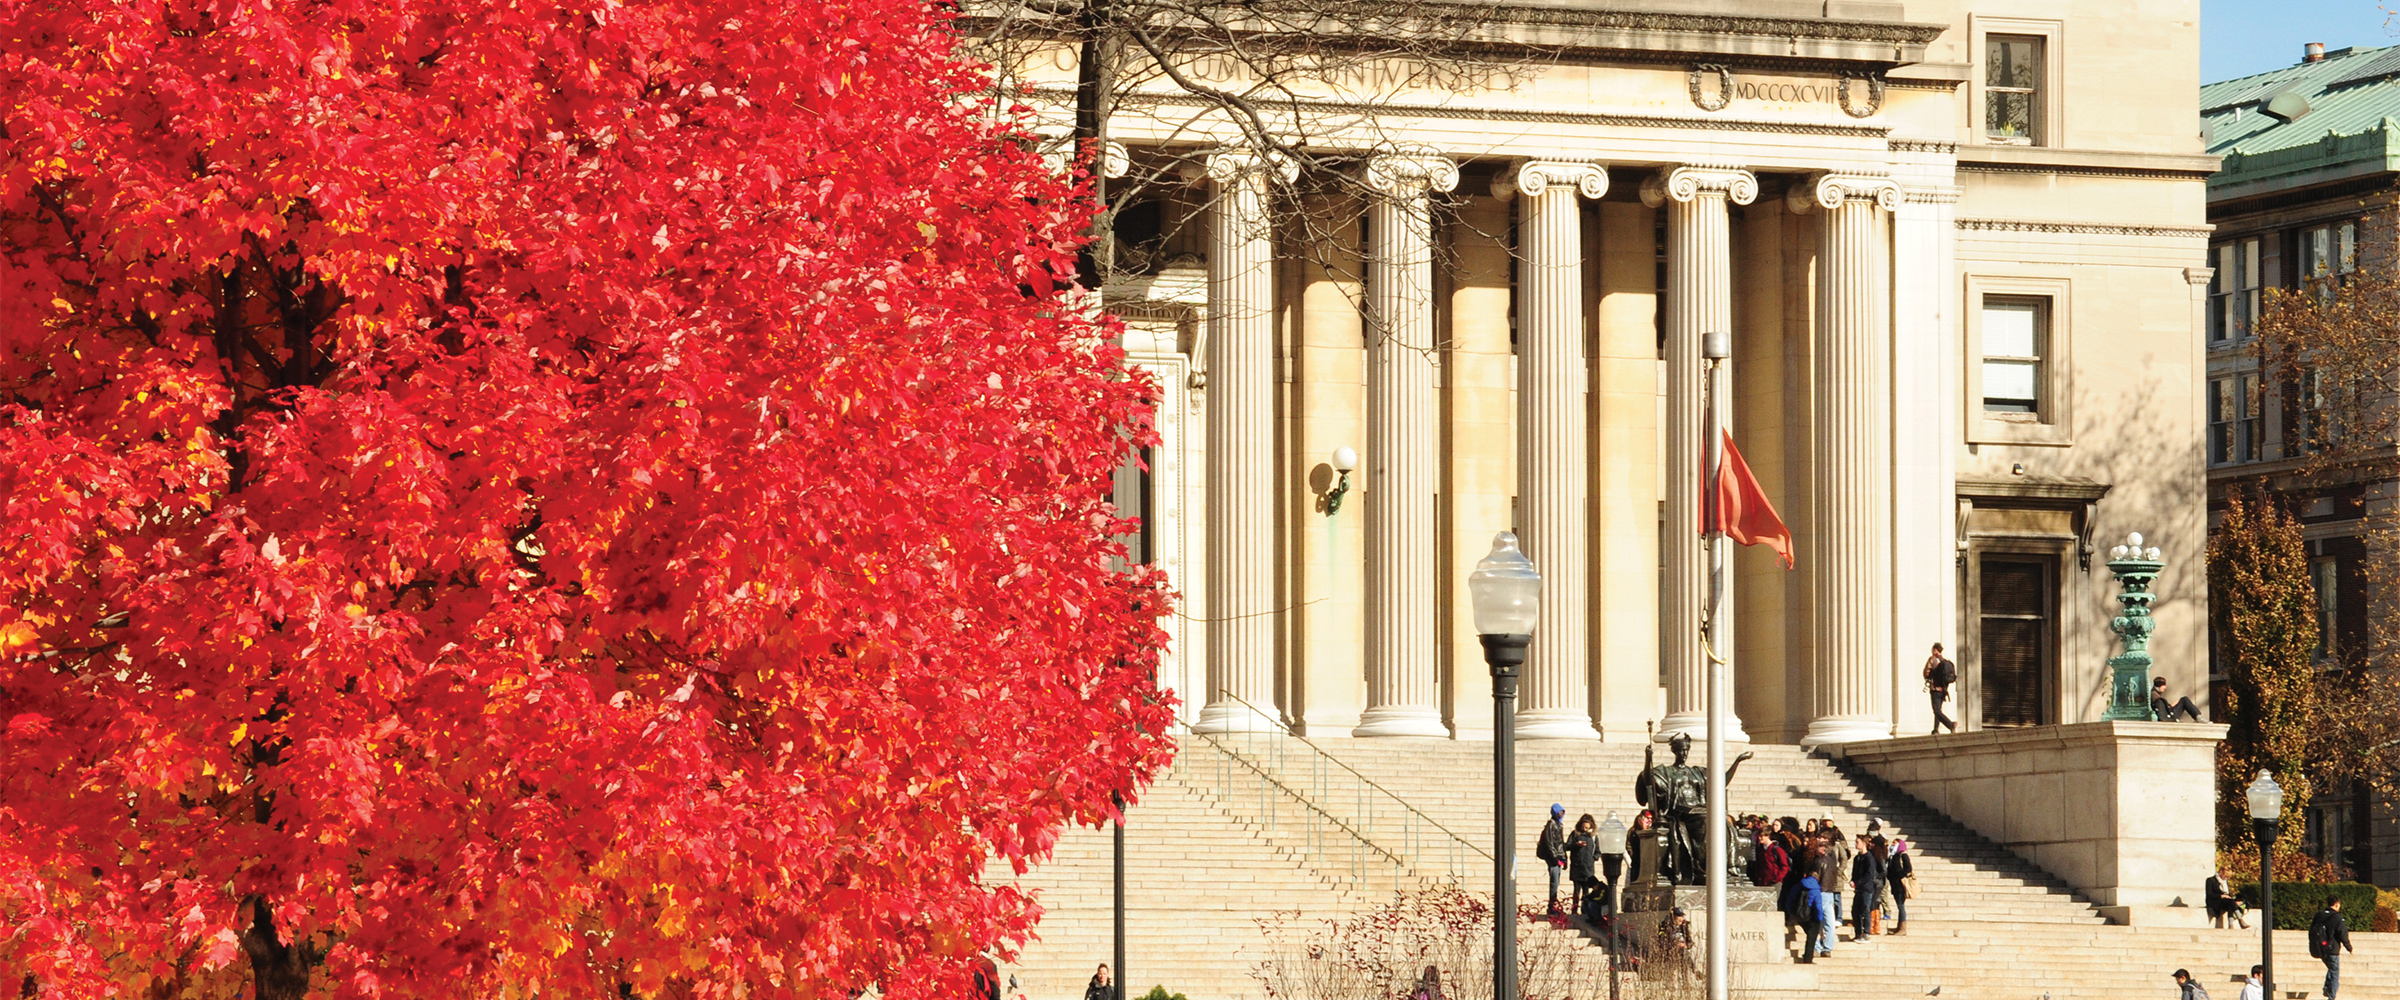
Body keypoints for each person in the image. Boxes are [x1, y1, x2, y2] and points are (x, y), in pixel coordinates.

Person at [2311, 896, 2354, 999]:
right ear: (2336, 904)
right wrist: (2349, 948)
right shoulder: (2338, 917)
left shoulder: (2319, 915)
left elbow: (2312, 931)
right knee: (2334, 972)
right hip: (2332, 949)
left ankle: (2327, 987)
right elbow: (2343, 934)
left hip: (2320, 948)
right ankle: (2331, 995)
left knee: (2331, 968)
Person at [1849, 833, 1885, 940]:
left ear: (1864, 844)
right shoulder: (1857, 858)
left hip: (1866, 888)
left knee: (1865, 909)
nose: (1856, 844)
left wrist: (1857, 882)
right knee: (1855, 911)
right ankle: (1858, 933)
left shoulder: (1869, 858)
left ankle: (1866, 932)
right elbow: (1855, 872)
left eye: (1858, 842)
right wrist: (1853, 881)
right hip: (1859, 889)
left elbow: (1869, 874)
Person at [1537, 804, 1568, 913]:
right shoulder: (1551, 824)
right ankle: (1552, 906)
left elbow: (1560, 844)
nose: (1561, 814)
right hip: (1553, 857)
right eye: (1559, 812)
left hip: (1558, 856)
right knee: (1554, 880)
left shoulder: (1559, 825)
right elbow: (1549, 842)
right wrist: (1554, 856)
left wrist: (1564, 858)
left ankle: (1554, 904)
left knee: (1557, 881)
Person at [1923, 642, 1959, 734]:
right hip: (1943, 689)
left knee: (1936, 710)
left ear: (1935, 650)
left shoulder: (1933, 659)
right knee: (1938, 709)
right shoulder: (1944, 661)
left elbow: (1926, 673)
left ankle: (1950, 724)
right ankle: (1935, 730)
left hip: (1935, 688)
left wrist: (1929, 676)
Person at [1568, 813, 1600, 915]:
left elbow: (1598, 851)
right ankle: (1574, 909)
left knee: (1586, 891)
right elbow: (1567, 846)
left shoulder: (1594, 837)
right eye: (1583, 827)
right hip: (1577, 867)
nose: (1585, 829)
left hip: (1588, 868)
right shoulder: (1575, 834)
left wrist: (1594, 858)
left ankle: (1585, 910)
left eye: (1587, 827)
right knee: (1576, 890)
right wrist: (1576, 845)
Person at [1886, 837, 1914, 935]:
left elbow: (1908, 869)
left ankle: (1902, 928)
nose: (1892, 844)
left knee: (1901, 905)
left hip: (1901, 885)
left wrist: (1899, 874)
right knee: (1899, 905)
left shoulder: (1903, 855)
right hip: (1894, 884)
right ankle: (1899, 927)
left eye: (1894, 843)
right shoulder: (1892, 856)